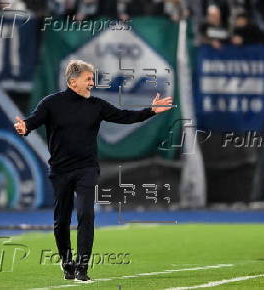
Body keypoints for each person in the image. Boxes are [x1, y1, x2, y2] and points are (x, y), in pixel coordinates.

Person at [13, 60, 173, 281]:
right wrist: (24, 127)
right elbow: (32, 121)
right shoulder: (51, 103)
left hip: (87, 169)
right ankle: (67, 262)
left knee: (86, 214)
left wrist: (151, 111)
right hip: (60, 171)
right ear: (72, 81)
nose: (92, 83)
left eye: (92, 79)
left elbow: (125, 116)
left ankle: (82, 268)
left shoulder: (97, 105)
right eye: (88, 79)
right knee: (61, 221)